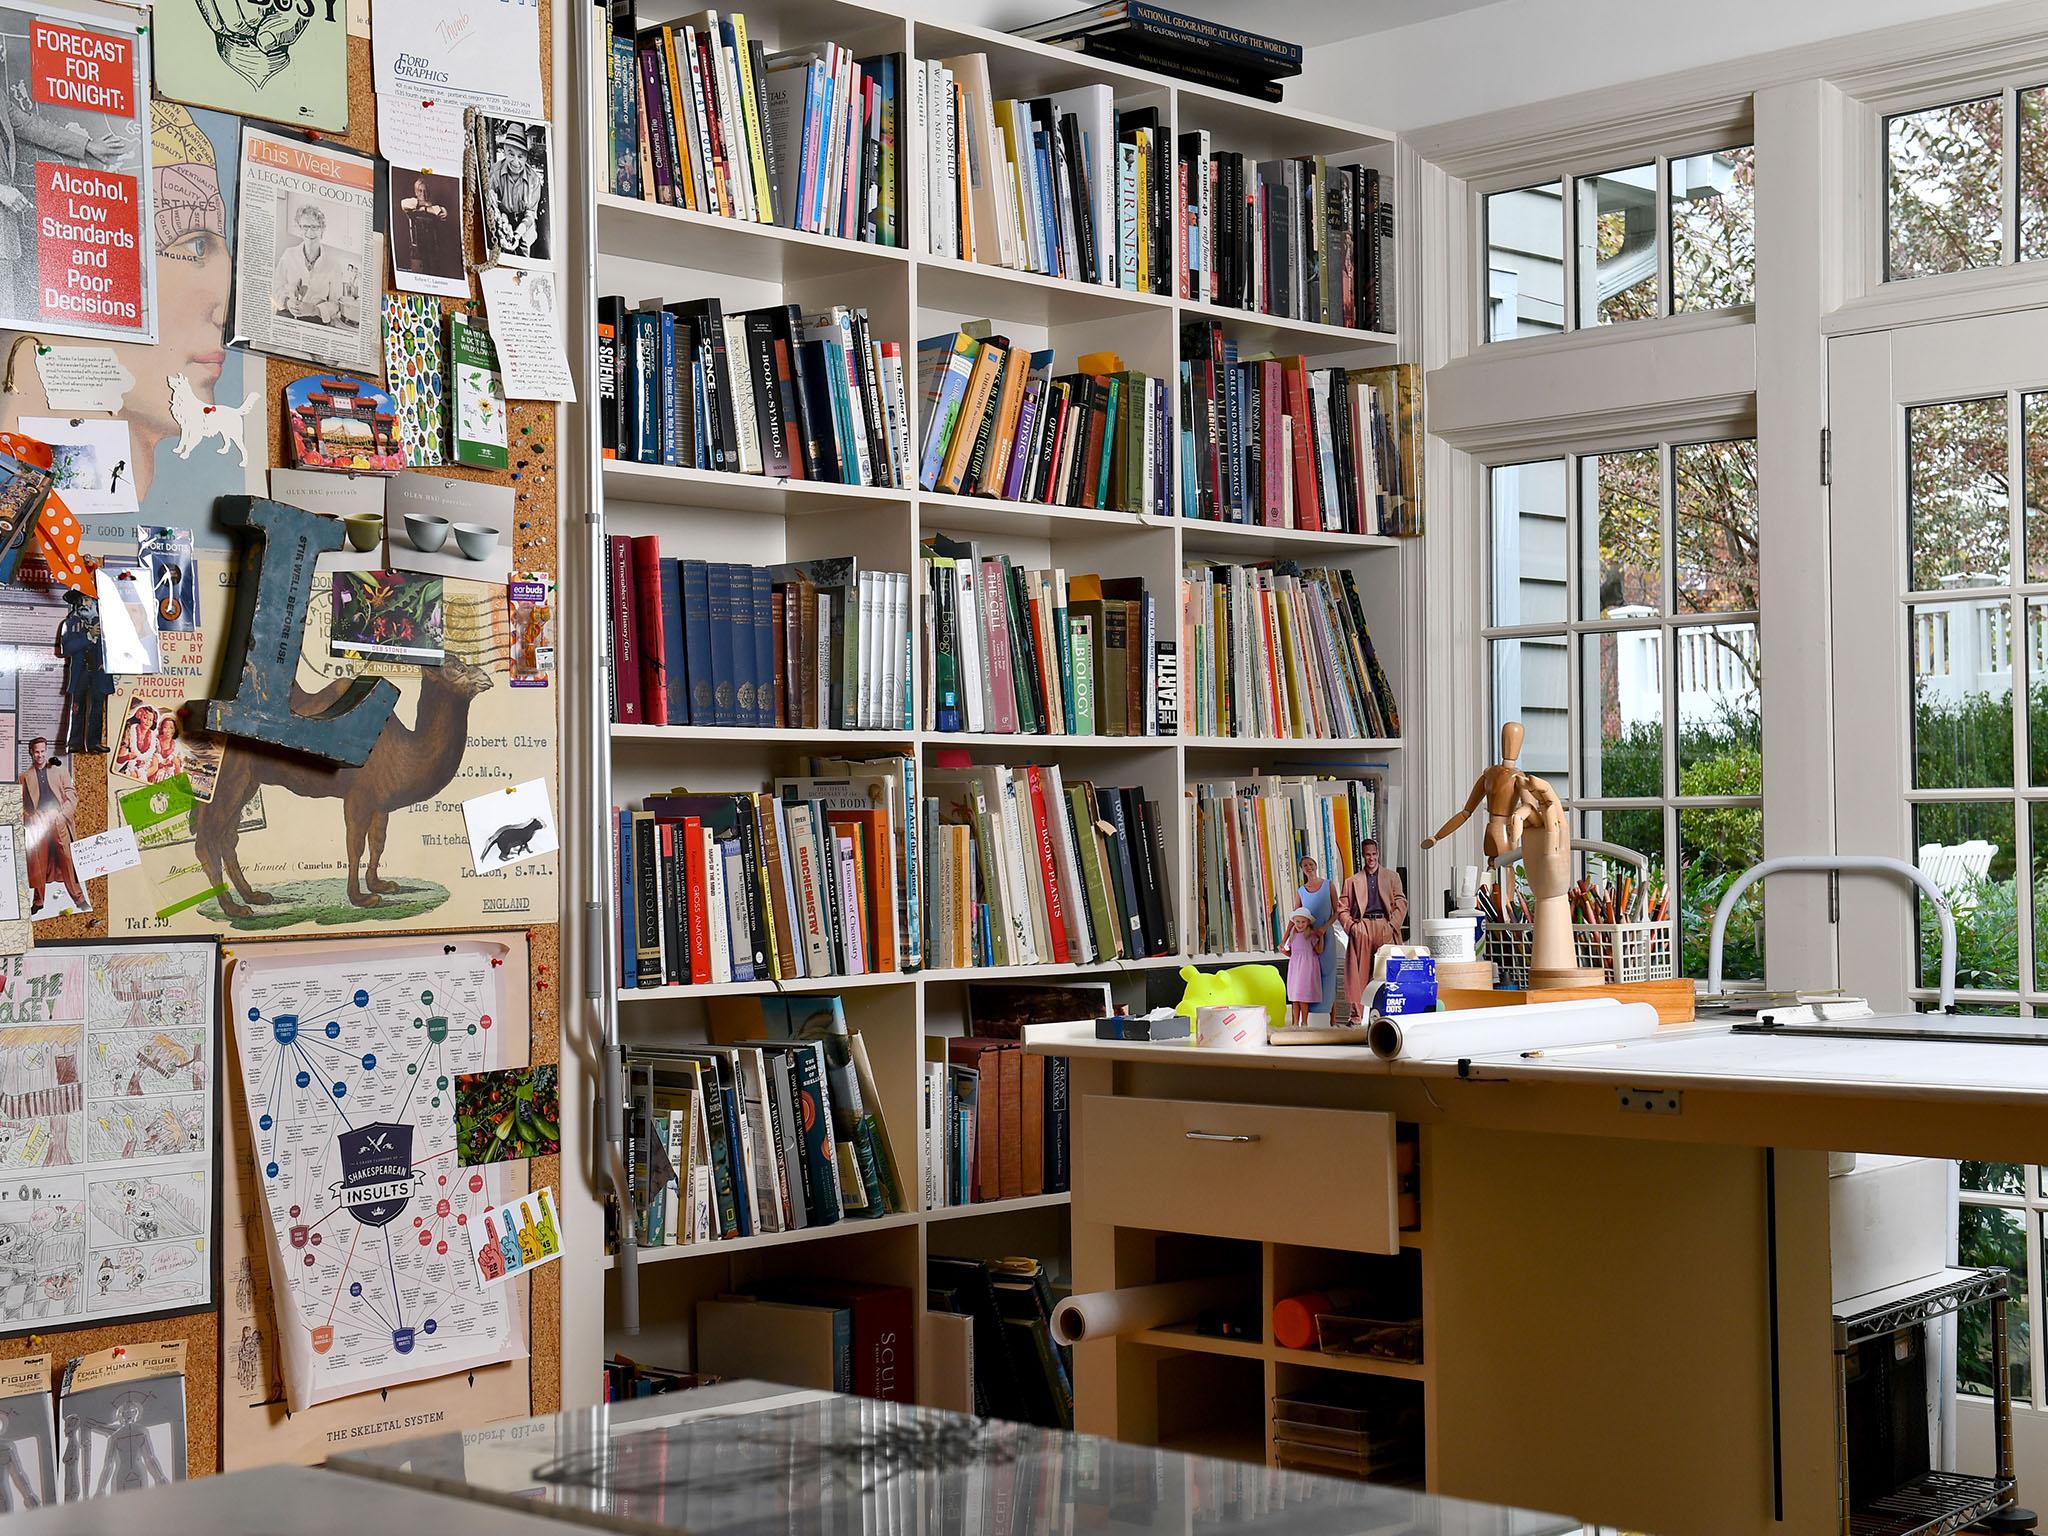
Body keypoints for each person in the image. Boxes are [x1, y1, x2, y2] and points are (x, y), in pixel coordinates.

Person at [1336, 838, 1407, 1022]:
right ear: (1363, 856)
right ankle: (1357, 1018)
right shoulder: (1352, 881)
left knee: (1388, 972)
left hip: (1385, 925)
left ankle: (1388, 1015)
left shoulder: (1392, 877)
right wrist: (1352, 927)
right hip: (1363, 926)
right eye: (1367, 854)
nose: (1371, 858)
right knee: (1359, 974)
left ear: (1378, 854)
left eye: (1374, 854)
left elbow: (1401, 902)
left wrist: (1392, 926)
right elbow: (1342, 908)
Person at [19, 737, 81, 916]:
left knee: (67, 859)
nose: (40, 755)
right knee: (38, 862)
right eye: (36, 751)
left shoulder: (60, 771)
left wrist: (62, 815)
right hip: (38, 826)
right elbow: (19, 806)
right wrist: (31, 816)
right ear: (31, 752)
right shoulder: (24, 777)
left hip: (58, 820)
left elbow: (72, 795)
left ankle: (78, 897)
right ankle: (38, 901)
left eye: (42, 751)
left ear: (47, 751)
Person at [271, 202, 348, 324]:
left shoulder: (334, 265)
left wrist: (314, 310)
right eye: (305, 227)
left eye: (315, 227)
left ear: (322, 230)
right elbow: (275, 287)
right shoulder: (288, 254)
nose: (310, 232)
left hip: (315, 321)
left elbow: (336, 305)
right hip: (286, 315)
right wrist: (287, 302)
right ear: (300, 229)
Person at [486, 122, 546, 260]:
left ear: (526, 157)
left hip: (524, 225)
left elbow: (531, 213)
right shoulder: (495, 172)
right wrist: (504, 224)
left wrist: (518, 234)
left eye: (520, 156)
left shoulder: (534, 180)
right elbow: (492, 204)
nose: (515, 161)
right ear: (505, 152)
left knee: (525, 253)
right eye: (511, 154)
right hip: (502, 220)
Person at [1295, 854, 1337, 1017]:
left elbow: (1336, 912)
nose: (1308, 867)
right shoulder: (1301, 891)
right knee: (1310, 974)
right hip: (1308, 938)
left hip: (1326, 934)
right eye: (1305, 865)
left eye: (1310, 864)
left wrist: (1324, 928)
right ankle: (1313, 1016)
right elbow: (1296, 915)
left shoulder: (1329, 885)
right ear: (1302, 870)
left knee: (1329, 972)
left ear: (1315, 865)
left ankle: (1331, 1018)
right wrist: (1285, 940)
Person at [398, 175, 454, 277]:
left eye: (425, 190)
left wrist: (425, 209)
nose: (423, 193)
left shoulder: (435, 207)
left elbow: (443, 212)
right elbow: (403, 203)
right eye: (420, 191)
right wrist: (423, 206)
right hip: (417, 252)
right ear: (415, 192)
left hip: (434, 251)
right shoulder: (411, 203)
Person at [1282, 905, 1321, 1028]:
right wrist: (1284, 951)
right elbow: (1291, 953)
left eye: (1303, 922)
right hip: (1294, 968)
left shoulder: (1311, 935)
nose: (1300, 924)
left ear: (1308, 922)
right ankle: (1294, 1023)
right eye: (1297, 922)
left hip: (1306, 968)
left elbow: (1318, 950)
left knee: (1303, 997)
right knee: (1294, 998)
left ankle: (1304, 1022)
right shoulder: (1293, 935)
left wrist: (1322, 937)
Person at [113, 703, 155, 780]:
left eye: (150, 720)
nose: (148, 722)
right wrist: (127, 757)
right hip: (127, 768)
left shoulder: (154, 738)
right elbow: (118, 759)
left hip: (144, 770)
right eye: (145, 718)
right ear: (140, 717)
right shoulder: (129, 732)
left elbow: (154, 764)